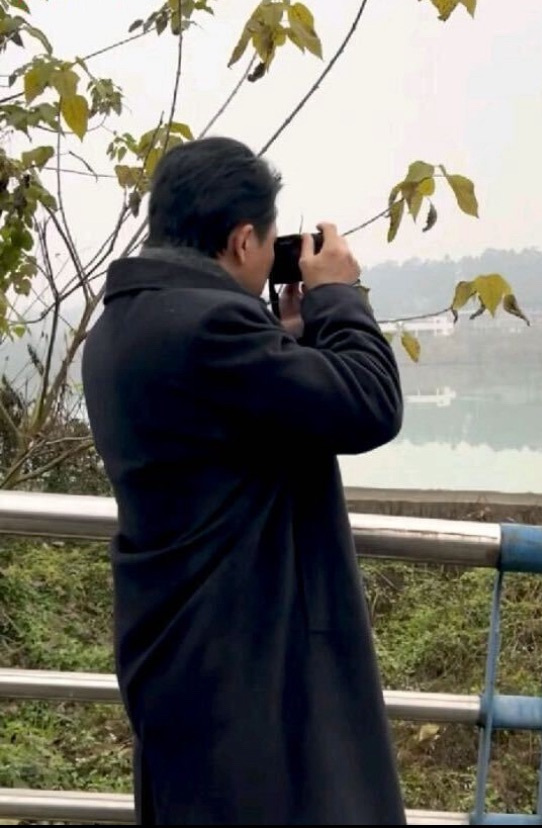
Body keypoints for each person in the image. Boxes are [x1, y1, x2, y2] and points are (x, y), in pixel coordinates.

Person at [81, 135, 407, 825]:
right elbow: (371, 405)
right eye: (266, 242)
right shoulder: (210, 327)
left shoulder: (121, 325)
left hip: (181, 657)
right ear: (241, 240)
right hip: (245, 670)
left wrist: (288, 342)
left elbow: (237, 436)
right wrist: (339, 296)